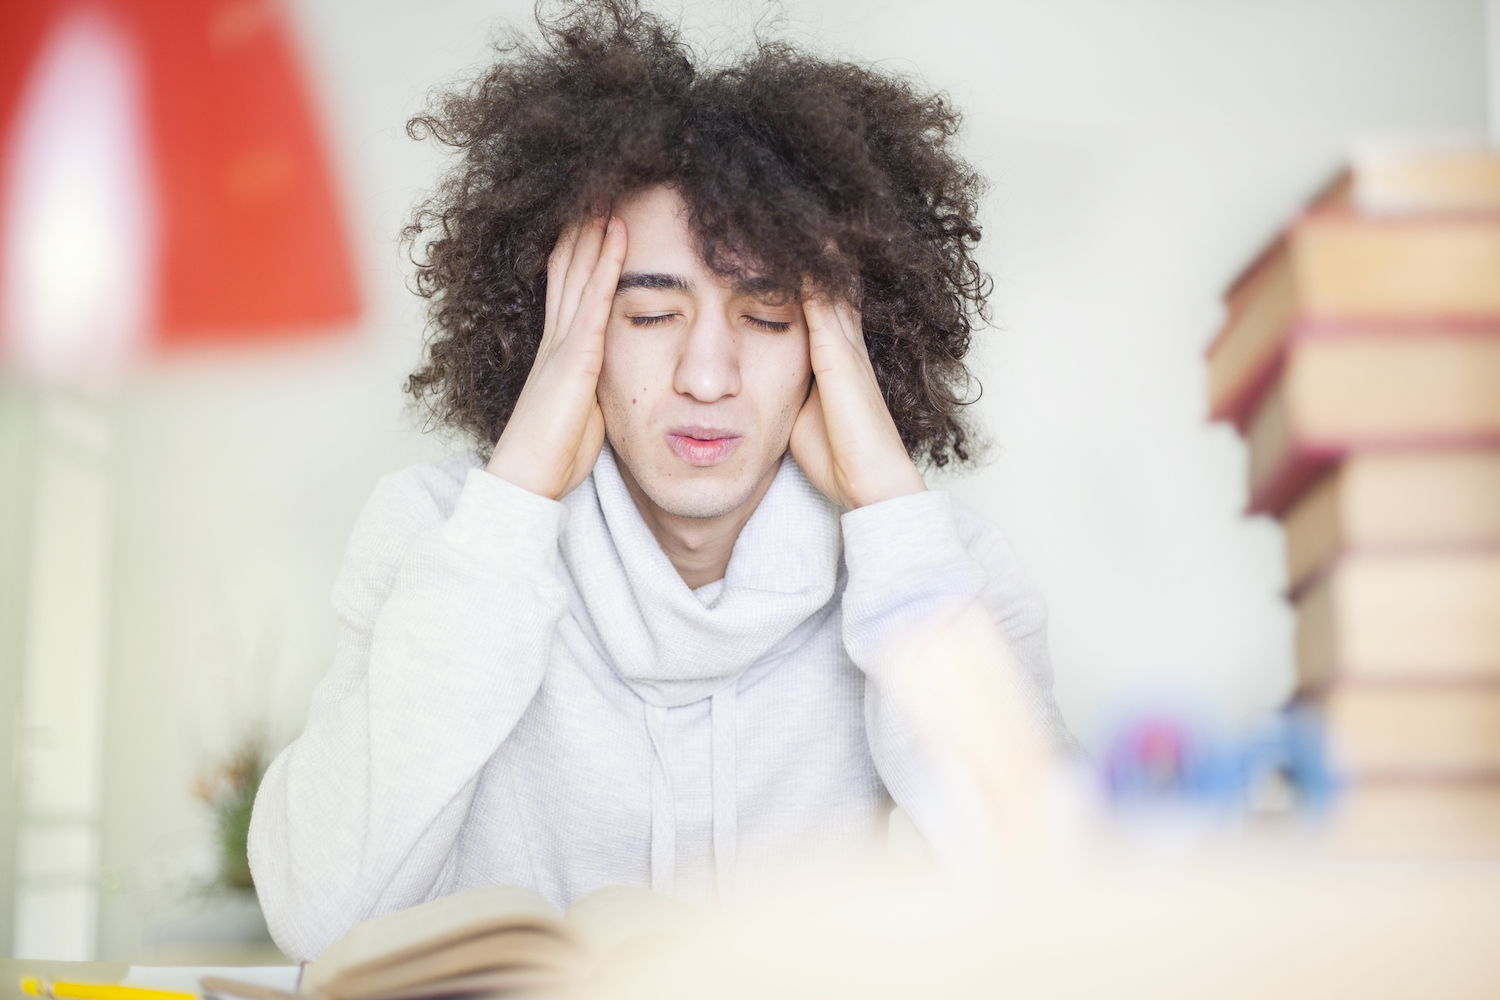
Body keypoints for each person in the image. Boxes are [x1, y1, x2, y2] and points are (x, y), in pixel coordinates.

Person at [247, 0, 1080, 962]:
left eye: (768, 317)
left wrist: (889, 507)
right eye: (647, 317)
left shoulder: (933, 564)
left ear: (838, 345)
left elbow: (1058, 908)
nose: (708, 376)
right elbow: (312, 913)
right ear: (565, 331)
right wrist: (515, 494)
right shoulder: (440, 533)